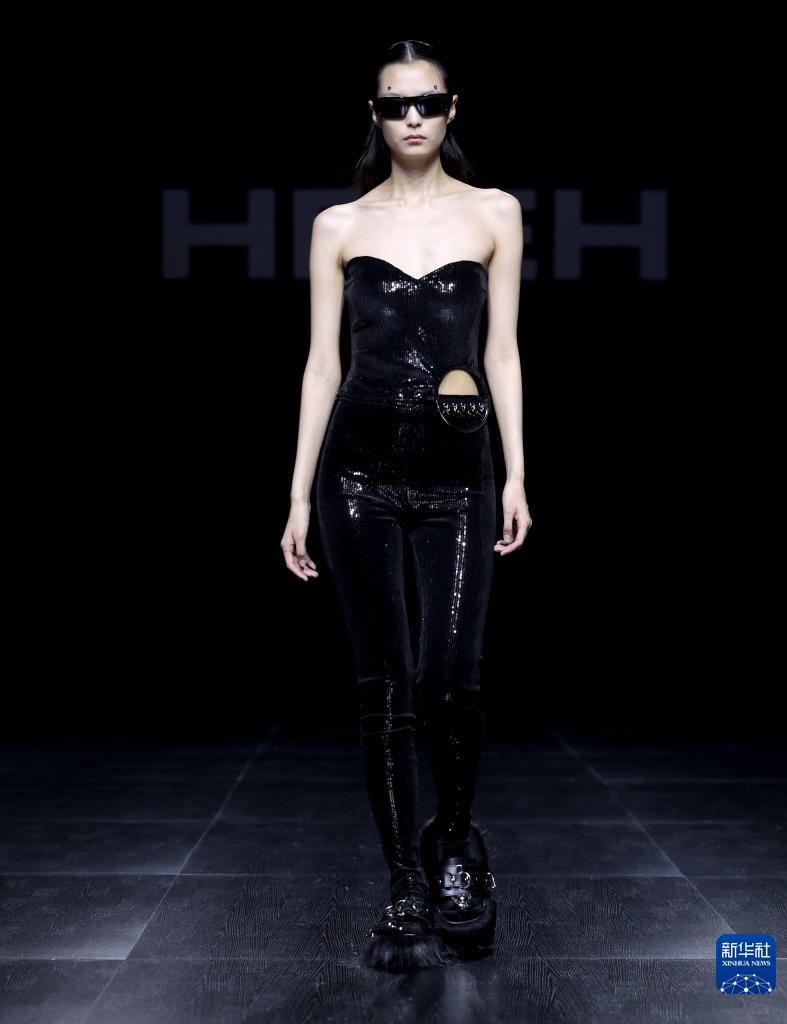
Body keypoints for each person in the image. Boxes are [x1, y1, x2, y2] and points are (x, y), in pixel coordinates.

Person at [281, 39, 531, 972]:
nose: (413, 118)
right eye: (396, 105)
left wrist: (517, 475)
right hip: (356, 476)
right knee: (383, 688)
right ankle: (405, 885)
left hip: (460, 474)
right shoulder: (338, 225)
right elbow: (323, 363)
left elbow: (501, 351)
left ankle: (456, 846)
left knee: (452, 679)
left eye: (427, 102)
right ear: (376, 115)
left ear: (452, 108)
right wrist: (297, 493)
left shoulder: (495, 212)